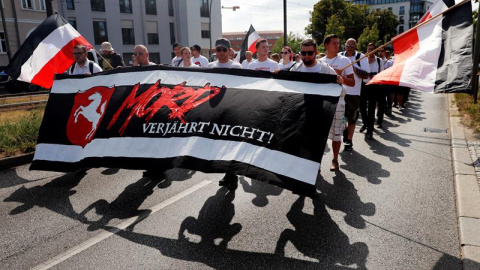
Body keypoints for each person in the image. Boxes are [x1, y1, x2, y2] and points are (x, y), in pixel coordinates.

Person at [206, 38, 242, 190]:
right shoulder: (210, 66)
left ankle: (232, 176)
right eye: (218, 49)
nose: (221, 52)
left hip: (232, 110)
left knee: (231, 143)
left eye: (224, 49)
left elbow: (243, 87)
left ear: (229, 51)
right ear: (215, 51)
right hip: (216, 109)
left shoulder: (236, 66)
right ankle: (228, 173)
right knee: (220, 143)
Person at [320, 34, 355, 171]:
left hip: (338, 101)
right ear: (326, 45)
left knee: (336, 133)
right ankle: (316, 162)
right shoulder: (320, 62)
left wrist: (342, 79)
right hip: (322, 101)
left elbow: (352, 82)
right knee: (320, 134)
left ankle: (335, 159)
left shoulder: (344, 60)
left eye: (338, 42)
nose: (337, 45)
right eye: (334, 43)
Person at [339, 38, 369, 151]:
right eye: (348, 45)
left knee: (352, 118)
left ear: (356, 46)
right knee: (341, 117)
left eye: (352, 45)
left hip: (354, 93)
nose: (350, 47)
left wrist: (352, 66)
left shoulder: (361, 57)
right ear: (345, 46)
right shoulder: (340, 56)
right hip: (340, 92)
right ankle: (345, 129)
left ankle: (349, 140)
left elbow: (366, 75)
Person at [360, 43, 384, 139]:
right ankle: (365, 123)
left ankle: (370, 129)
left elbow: (382, 74)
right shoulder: (362, 59)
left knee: (371, 108)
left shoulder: (379, 61)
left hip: (374, 86)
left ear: (375, 50)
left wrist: (373, 76)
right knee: (362, 107)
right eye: (369, 48)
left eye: (372, 49)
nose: (370, 50)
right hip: (363, 85)